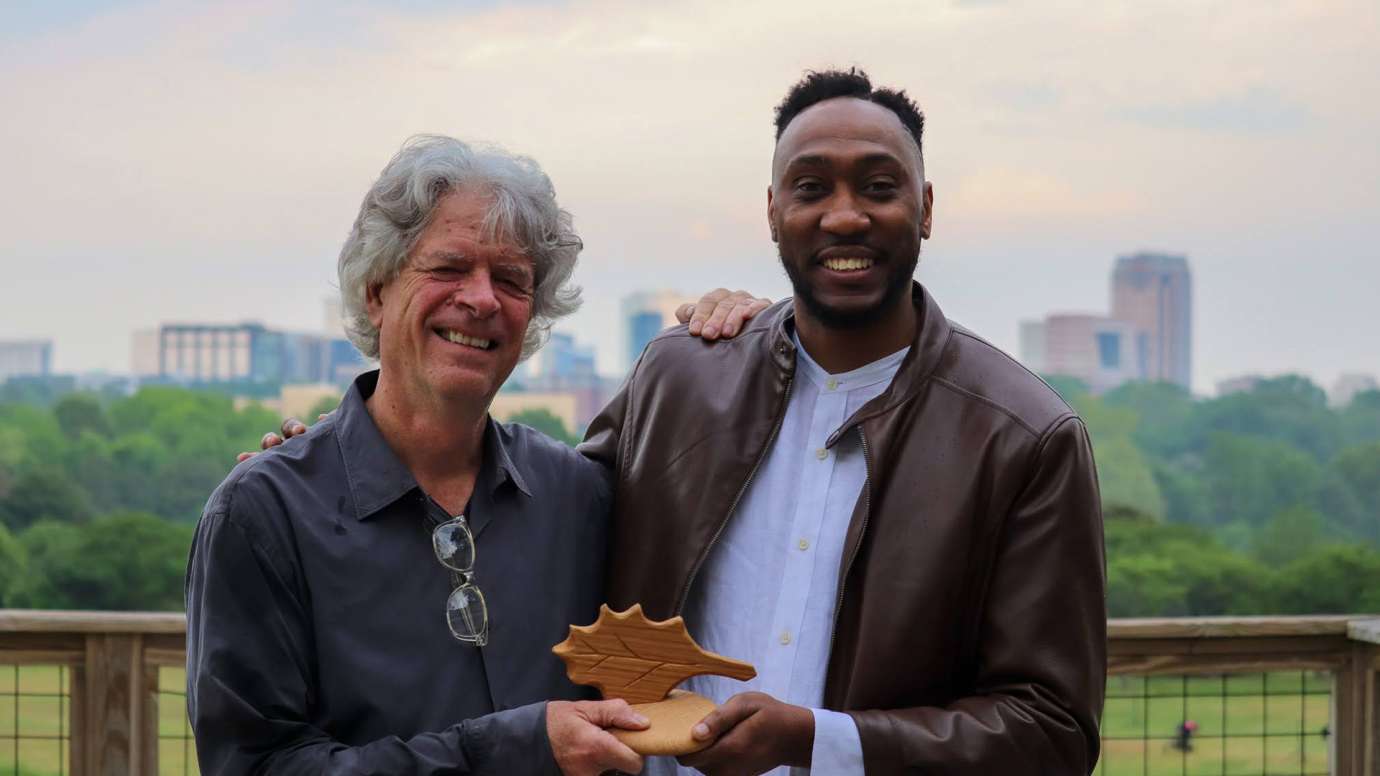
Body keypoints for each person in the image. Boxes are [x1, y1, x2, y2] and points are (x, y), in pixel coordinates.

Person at [581, 68, 1107, 775]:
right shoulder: (679, 379)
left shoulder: (1026, 438)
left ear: (925, 209)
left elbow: (1053, 731)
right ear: (772, 212)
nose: (845, 215)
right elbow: (545, 533)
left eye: (879, 187)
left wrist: (820, 742)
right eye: (811, 187)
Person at [186, 136, 767, 775]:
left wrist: (759, 340)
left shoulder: (579, 497)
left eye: (512, 280)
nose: (483, 299)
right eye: (449, 267)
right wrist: (515, 749)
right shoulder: (262, 516)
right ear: (376, 291)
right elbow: (256, 767)